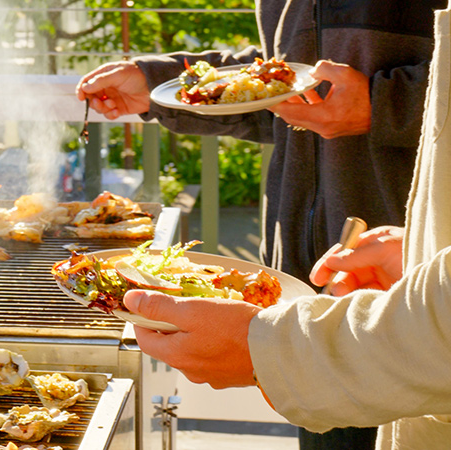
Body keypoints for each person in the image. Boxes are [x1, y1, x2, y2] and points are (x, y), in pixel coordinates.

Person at [76, 1, 445, 447]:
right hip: (317, 284)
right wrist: (158, 84)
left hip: (419, 295)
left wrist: (386, 104)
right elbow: (288, 82)